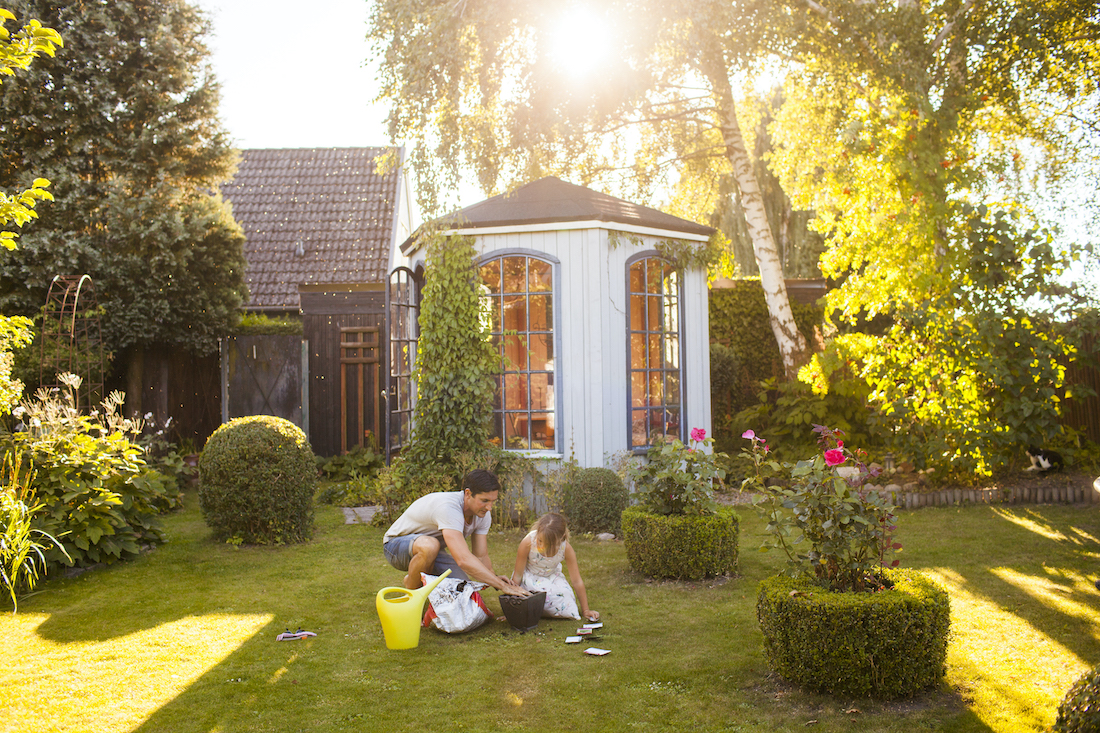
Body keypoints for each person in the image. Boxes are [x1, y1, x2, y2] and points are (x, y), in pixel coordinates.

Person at [383, 469, 529, 595]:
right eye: (484, 500)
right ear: (468, 494)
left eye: (493, 501)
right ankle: (412, 599)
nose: (489, 507)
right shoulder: (449, 508)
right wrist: (502, 586)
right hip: (395, 547)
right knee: (430, 546)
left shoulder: (482, 514)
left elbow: (481, 555)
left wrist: (494, 578)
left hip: (432, 551)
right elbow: (463, 559)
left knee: (464, 588)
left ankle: (412, 578)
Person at [511, 512, 599, 622]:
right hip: (530, 578)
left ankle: (537, 608)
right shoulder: (528, 542)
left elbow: (576, 581)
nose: (540, 545)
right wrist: (511, 607)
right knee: (535, 596)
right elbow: (518, 575)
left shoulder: (565, 548)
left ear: (558, 540)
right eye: (539, 540)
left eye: (546, 543)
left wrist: (586, 610)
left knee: (566, 599)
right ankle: (537, 607)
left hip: (552, 578)